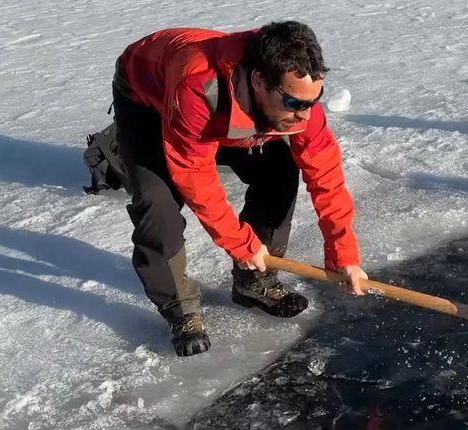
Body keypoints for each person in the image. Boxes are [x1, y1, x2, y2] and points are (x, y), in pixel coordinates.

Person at [111, 21, 368, 357]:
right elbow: (195, 175)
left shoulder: (297, 102)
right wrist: (239, 243)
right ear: (260, 81)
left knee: (279, 170)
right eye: (294, 102)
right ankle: (180, 308)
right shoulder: (199, 85)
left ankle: (254, 281)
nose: (305, 115)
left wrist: (343, 254)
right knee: (157, 203)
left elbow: (327, 177)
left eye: (313, 100)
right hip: (148, 98)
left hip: (230, 111)